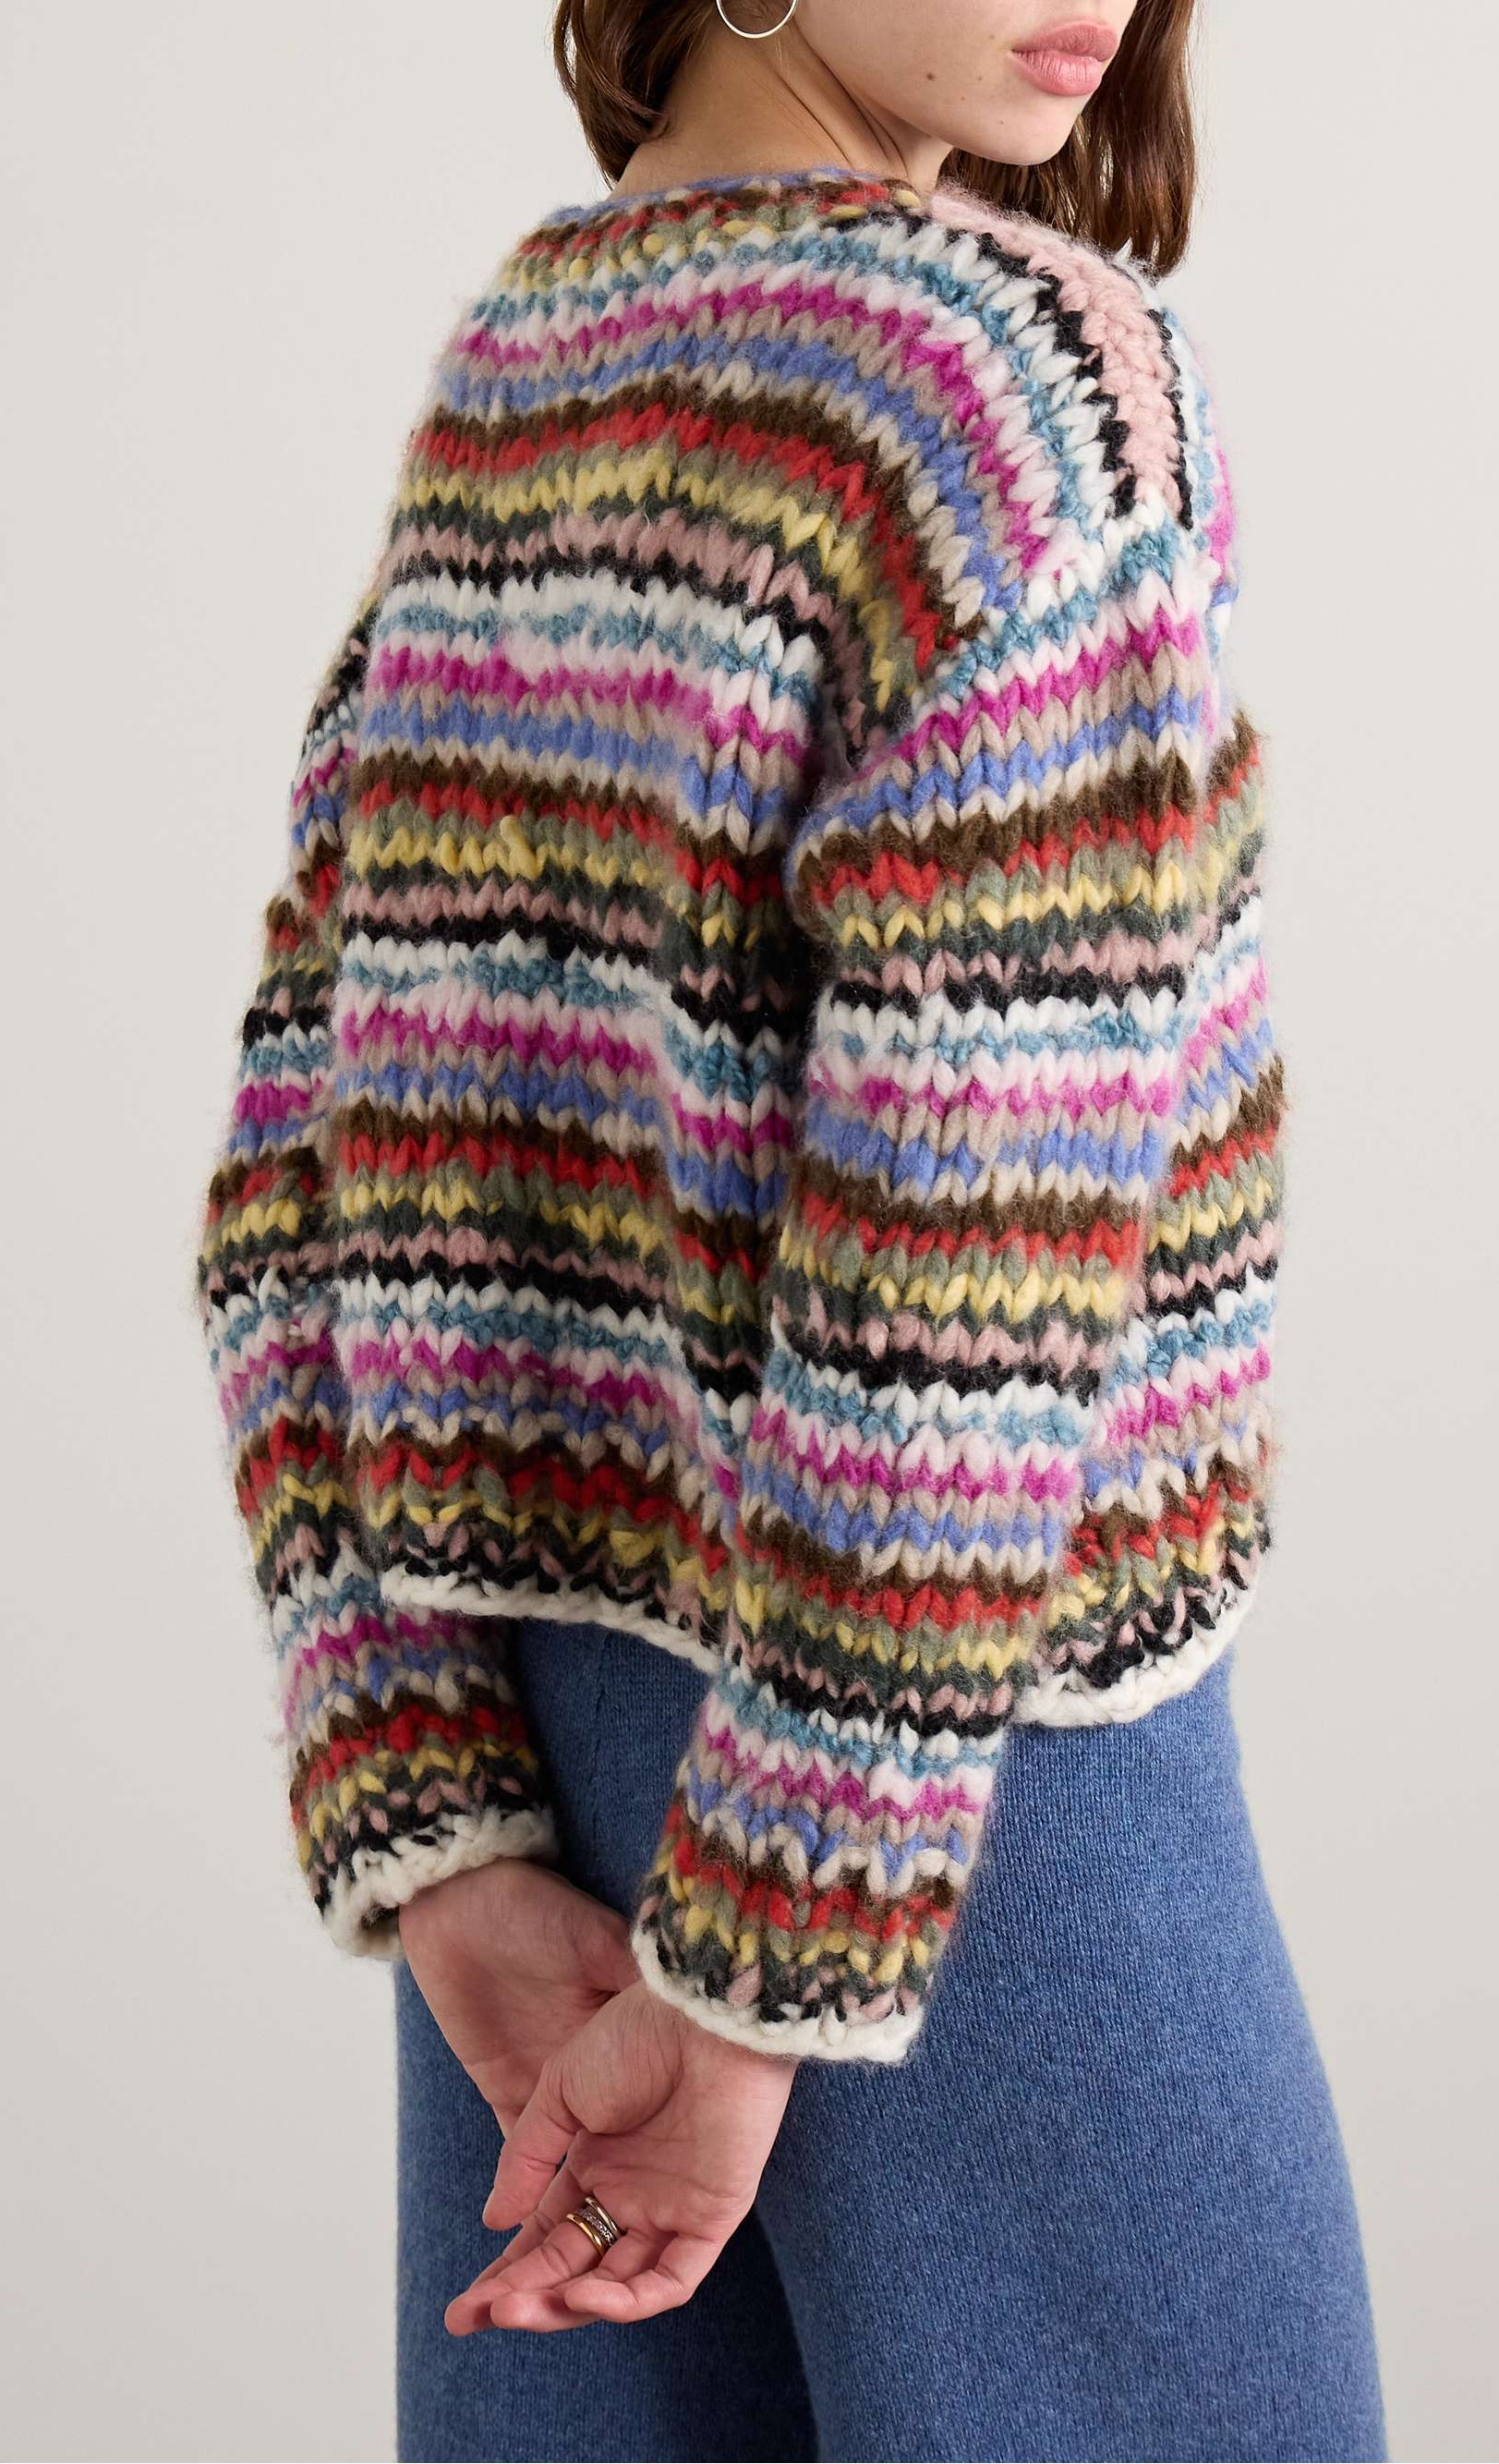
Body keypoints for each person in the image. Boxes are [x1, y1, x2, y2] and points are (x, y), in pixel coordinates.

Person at [194, 4, 1386, 2456]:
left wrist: (440, 1825)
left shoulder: (536, 357)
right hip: (981, 1846)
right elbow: (972, 1248)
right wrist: (768, 1960)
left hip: (557, 1851)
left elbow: (297, 1180)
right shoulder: (1011, 386)